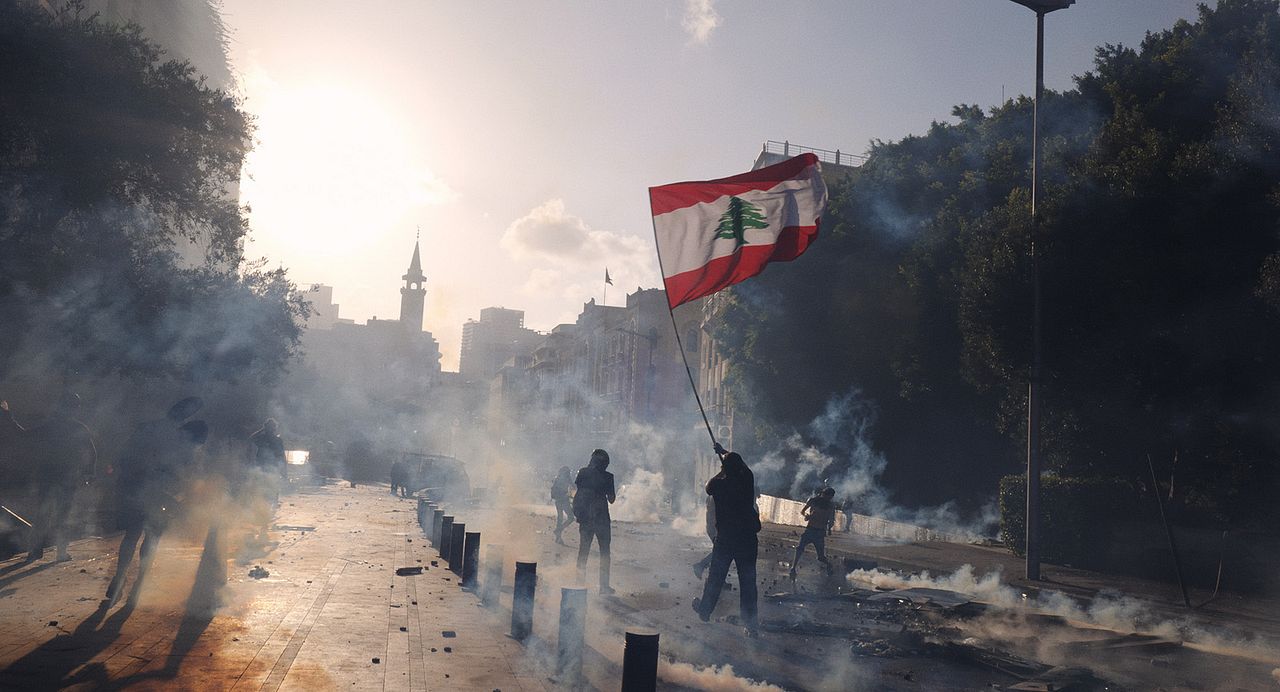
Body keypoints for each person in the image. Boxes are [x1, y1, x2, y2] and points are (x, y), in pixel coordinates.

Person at [106, 397, 205, 606]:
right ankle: (139, 584)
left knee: (131, 535)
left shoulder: (146, 428)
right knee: (151, 537)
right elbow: (180, 471)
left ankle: (120, 577)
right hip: (157, 491)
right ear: (185, 416)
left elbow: (124, 456)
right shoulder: (181, 437)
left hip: (135, 487)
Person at [692, 442, 761, 637]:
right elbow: (743, 466)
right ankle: (750, 624)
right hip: (747, 538)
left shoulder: (719, 484)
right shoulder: (747, 480)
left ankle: (705, 611)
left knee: (716, 578)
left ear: (724, 469)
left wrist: (723, 468)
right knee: (748, 581)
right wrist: (724, 452)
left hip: (726, 539)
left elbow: (708, 487)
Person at [573, 449, 615, 594]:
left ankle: (579, 583)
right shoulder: (608, 477)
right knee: (605, 553)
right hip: (601, 519)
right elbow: (612, 499)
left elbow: (578, 490)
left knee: (583, 551)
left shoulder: (583, 472)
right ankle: (604, 586)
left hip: (585, 518)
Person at [791, 487, 836, 579]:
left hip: (820, 532)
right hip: (810, 529)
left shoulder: (831, 506)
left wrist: (829, 528)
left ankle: (829, 565)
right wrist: (806, 516)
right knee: (799, 548)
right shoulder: (813, 501)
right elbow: (803, 511)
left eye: (830, 497)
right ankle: (793, 568)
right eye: (827, 496)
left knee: (820, 557)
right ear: (823, 494)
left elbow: (831, 519)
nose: (828, 499)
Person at [691, 494, 715, 579]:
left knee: (721, 553)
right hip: (716, 528)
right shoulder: (717, 496)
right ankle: (701, 565)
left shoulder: (713, 495)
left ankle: (717, 579)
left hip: (713, 527)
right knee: (721, 552)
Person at [550, 465, 574, 545]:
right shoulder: (567, 479)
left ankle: (558, 537)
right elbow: (574, 486)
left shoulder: (557, 479)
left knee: (560, 518)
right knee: (571, 517)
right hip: (564, 500)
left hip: (558, 501)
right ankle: (559, 530)